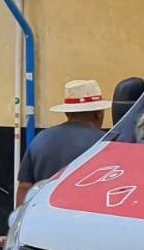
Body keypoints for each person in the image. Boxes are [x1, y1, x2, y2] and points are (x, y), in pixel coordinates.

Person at [15, 79, 109, 207]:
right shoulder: (105, 144)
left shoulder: (40, 139)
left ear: (67, 112)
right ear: (98, 114)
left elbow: (24, 188)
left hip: (43, 219)